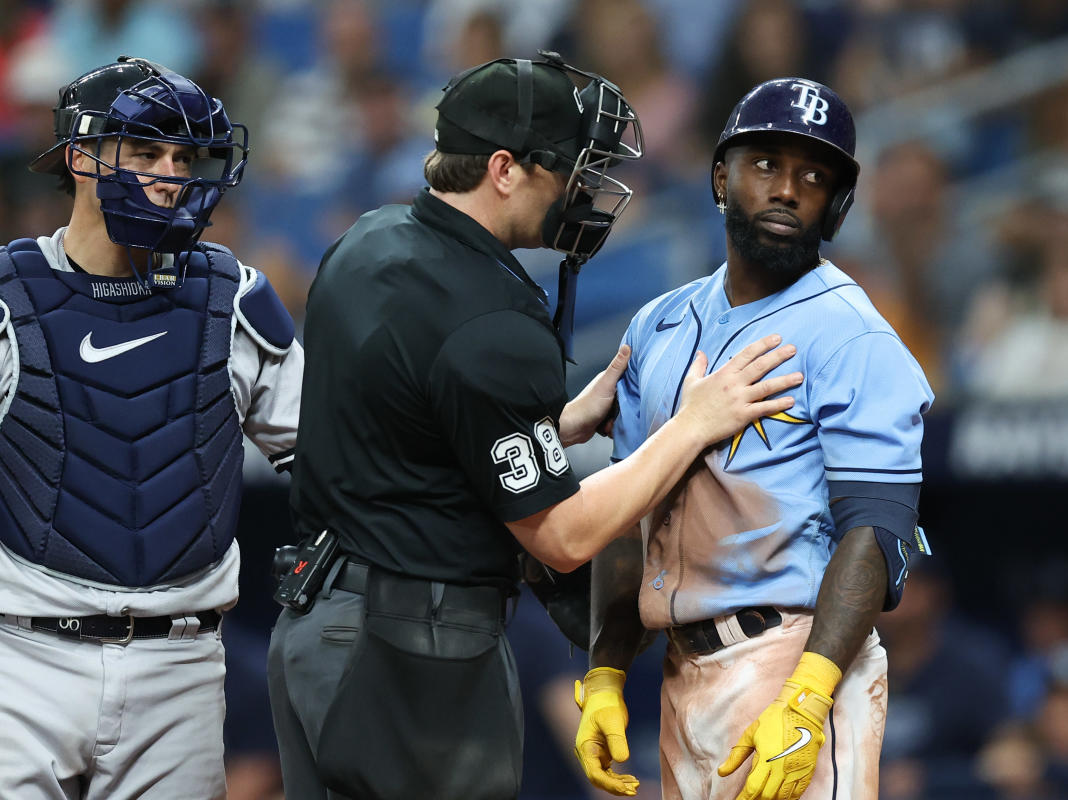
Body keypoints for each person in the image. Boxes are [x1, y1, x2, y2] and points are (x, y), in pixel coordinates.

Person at [267, 53, 805, 800]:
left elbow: (423, 422)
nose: (584, 191)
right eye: (571, 169)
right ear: (503, 169)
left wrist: (553, 423)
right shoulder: (490, 317)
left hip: (316, 629)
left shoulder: (368, 242)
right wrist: (692, 424)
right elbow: (561, 536)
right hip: (412, 653)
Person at [574, 78, 935, 800]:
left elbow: (877, 531)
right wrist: (609, 666)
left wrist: (809, 694)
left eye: (813, 176)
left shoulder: (853, 335)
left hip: (795, 657)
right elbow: (626, 512)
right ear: (721, 176)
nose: (788, 189)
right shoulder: (659, 325)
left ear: (836, 204)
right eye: (766, 163)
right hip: (684, 671)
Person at [0, 56, 302, 798]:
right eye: (144, 151)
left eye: (183, 155)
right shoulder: (8, 299)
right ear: (80, 155)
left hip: (182, 666)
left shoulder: (234, 298)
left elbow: (331, 458)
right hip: (21, 658)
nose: (170, 172)